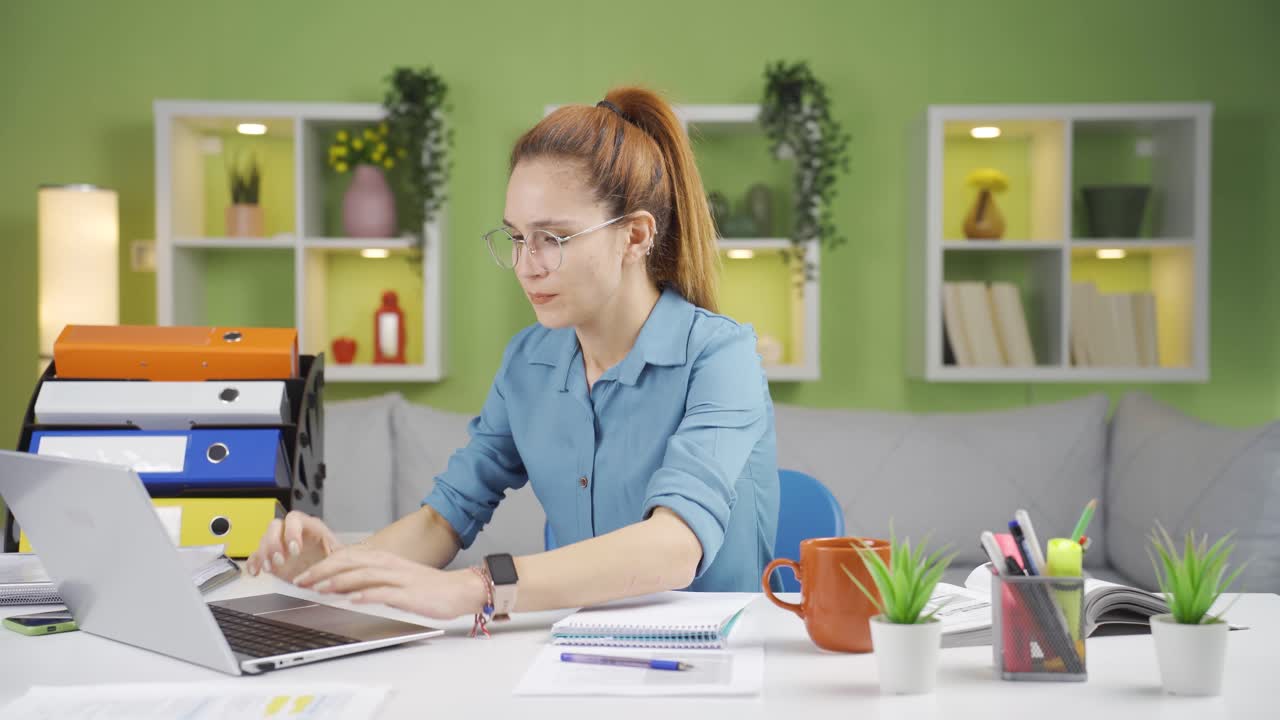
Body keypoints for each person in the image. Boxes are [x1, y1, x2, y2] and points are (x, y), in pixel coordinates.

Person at [247, 86, 779, 625]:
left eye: (553, 237)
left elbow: (674, 546)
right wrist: (332, 570)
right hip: (583, 653)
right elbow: (443, 520)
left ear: (636, 235)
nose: (527, 265)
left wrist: (479, 587)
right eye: (518, 237)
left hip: (716, 655)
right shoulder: (529, 360)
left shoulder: (721, 356)